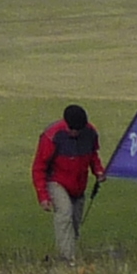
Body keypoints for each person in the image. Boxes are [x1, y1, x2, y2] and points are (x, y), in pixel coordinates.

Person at [32, 103, 106, 261]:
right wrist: (43, 196)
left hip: (78, 186)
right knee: (65, 213)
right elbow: (39, 167)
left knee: (75, 223)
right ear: (66, 124)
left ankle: (68, 254)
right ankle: (68, 259)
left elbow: (93, 155)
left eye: (78, 130)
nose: (75, 133)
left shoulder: (90, 133)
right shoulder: (51, 136)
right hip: (56, 182)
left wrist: (99, 171)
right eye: (72, 129)